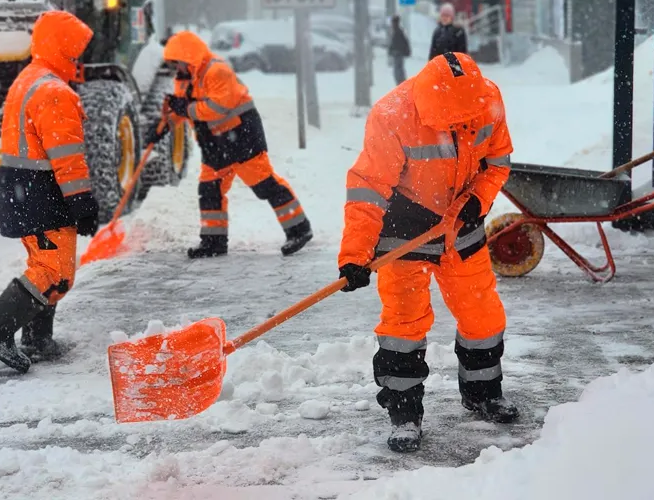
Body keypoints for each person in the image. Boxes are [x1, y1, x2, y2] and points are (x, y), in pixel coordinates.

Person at [337, 51, 518, 453]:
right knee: (403, 324)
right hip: (405, 230)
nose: (457, 128)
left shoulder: (487, 100)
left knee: (483, 315)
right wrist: (354, 255)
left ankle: (483, 393)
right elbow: (367, 188)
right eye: (448, 124)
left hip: (461, 227)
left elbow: (497, 163)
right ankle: (404, 411)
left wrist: (476, 201)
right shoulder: (392, 115)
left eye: (462, 123)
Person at [0, 10, 99, 374]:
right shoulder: (54, 92)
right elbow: (67, 156)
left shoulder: (29, 79)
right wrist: (82, 201)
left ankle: (37, 340)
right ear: (64, 48)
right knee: (55, 271)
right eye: (76, 50)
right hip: (43, 192)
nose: (80, 57)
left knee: (46, 266)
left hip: (22, 189)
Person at [148, 31, 313, 258]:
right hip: (214, 144)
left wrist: (183, 108)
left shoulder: (217, 71)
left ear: (189, 59)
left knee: (265, 185)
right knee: (209, 191)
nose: (176, 68)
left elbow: (217, 108)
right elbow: (186, 108)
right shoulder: (184, 79)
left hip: (241, 137)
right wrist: (163, 126)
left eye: (177, 63)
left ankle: (299, 229)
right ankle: (213, 242)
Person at [387, 14, 411, 85]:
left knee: (398, 71)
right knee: (398, 70)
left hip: (398, 54)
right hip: (398, 54)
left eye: (393, 22)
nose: (392, 24)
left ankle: (401, 84)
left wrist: (392, 51)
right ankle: (402, 84)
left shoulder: (397, 32)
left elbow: (397, 43)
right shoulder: (397, 31)